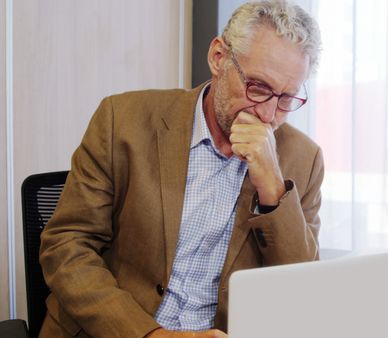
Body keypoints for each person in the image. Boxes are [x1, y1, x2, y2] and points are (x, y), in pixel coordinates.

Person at [38, 1, 323, 337]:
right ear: (219, 58)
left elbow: (300, 295)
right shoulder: (123, 119)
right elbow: (66, 246)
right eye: (258, 87)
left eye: (287, 98)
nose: (268, 113)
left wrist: (273, 189)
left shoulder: (304, 159)